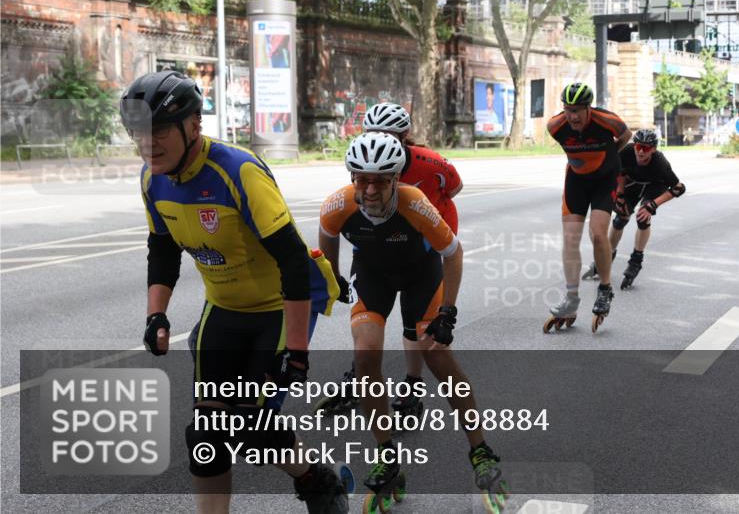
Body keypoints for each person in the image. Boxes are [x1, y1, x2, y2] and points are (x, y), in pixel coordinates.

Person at [121, 70, 348, 514]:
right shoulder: (152, 181)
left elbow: (292, 261)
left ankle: (317, 481)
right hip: (224, 309)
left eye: (160, 130)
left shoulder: (237, 171)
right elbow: (162, 250)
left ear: (193, 126)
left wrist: (297, 351)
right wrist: (156, 315)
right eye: (138, 134)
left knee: (250, 427)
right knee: (205, 434)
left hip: (280, 307)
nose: (149, 143)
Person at [318, 132, 505, 508]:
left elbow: (453, 253)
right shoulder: (337, 203)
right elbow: (326, 236)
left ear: (395, 179)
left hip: (421, 275)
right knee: (366, 354)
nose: (369, 189)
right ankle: (388, 457)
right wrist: (334, 278)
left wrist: (448, 312)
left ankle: (480, 450)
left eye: (380, 181)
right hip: (373, 275)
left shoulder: (414, 203)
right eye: (362, 179)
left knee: (435, 355)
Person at [316, 103, 463, 418]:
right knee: (368, 332)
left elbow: (455, 187)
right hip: (377, 249)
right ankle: (361, 372)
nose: (380, 141)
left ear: (404, 137)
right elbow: (331, 224)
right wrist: (333, 276)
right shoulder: (365, 167)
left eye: (389, 135)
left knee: (416, 328)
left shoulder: (427, 163)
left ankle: (412, 385)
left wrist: (426, 216)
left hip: (422, 239)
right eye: (373, 134)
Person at [545, 82, 631, 332]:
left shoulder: (607, 120)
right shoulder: (555, 126)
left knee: (597, 233)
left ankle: (605, 289)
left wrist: (609, 155)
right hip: (577, 180)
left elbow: (626, 136)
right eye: (568, 110)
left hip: (605, 180)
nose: (572, 116)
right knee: (571, 238)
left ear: (588, 109)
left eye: (577, 110)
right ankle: (571, 299)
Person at [583, 129, 686, 289]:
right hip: (633, 184)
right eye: (638, 147)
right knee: (620, 219)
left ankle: (636, 259)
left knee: (642, 217)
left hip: (655, 186)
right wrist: (621, 195)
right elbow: (620, 173)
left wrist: (653, 205)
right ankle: (608, 255)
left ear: (653, 149)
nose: (641, 152)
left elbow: (679, 188)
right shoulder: (627, 152)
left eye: (646, 148)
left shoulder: (660, 163)